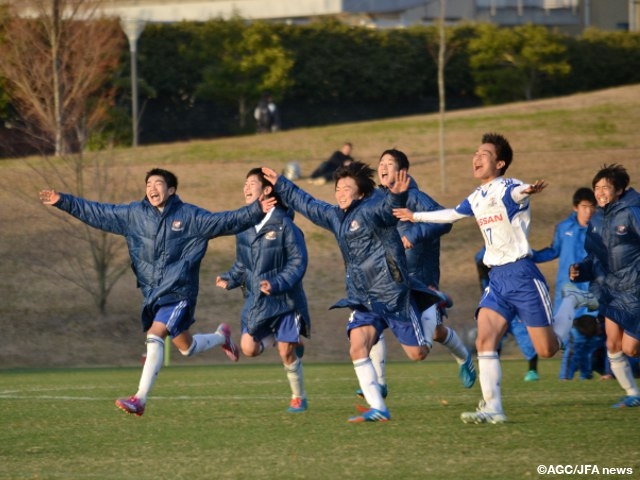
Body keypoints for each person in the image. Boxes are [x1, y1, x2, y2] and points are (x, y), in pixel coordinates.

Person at [38, 168, 276, 416]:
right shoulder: (133, 215)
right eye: (149, 183)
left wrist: (256, 210)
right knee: (187, 347)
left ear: (171, 190)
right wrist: (63, 201)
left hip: (180, 291)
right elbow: (98, 212)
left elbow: (224, 221)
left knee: (155, 334)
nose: (152, 187)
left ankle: (139, 399)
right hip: (154, 295)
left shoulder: (189, 216)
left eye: (159, 183)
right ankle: (221, 336)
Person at [394, 132, 593, 424]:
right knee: (485, 340)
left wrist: (529, 189)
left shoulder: (508, 186)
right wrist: (415, 217)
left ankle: (571, 302)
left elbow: (517, 192)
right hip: (497, 278)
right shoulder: (477, 196)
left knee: (547, 349)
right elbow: (450, 214)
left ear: (499, 164)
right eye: (475, 153)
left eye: (484, 154)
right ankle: (493, 408)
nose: (476, 157)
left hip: (523, 275)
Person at [262, 162, 444, 423]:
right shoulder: (336, 217)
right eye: (338, 188)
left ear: (360, 193)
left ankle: (428, 307)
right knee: (357, 348)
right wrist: (282, 185)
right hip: (364, 299)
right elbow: (309, 204)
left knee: (418, 354)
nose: (341, 192)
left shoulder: (372, 209)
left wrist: (398, 196)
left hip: (392, 295)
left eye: (347, 188)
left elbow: (388, 208)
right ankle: (379, 408)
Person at [356, 148, 475, 402]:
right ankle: (379, 383)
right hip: (389, 280)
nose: (383, 166)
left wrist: (412, 235)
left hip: (421, 280)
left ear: (402, 172)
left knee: (431, 338)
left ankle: (464, 357)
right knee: (373, 320)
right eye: (381, 162)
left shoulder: (415, 196)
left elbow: (445, 221)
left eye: (389, 162)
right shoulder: (378, 200)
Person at [215, 168, 310, 413]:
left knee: (285, 352)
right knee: (248, 348)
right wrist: (231, 278)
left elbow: (298, 262)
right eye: (244, 184)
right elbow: (242, 263)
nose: (246, 188)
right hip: (258, 301)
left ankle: (298, 397)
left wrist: (277, 282)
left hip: (286, 300)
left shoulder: (285, 226)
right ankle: (287, 339)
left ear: (267, 190)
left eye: (251, 183)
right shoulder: (244, 226)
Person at [569, 164, 640, 407]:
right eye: (596, 188)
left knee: (631, 349)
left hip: (635, 287)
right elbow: (593, 256)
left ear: (619, 190)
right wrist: (580, 270)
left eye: (605, 188)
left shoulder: (632, 212)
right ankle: (633, 394)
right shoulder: (597, 218)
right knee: (612, 343)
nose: (599, 192)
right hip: (611, 290)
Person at [531, 187, 600, 381]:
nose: (589, 211)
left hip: (591, 291)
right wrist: (530, 256)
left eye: (592, 207)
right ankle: (567, 378)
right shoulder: (564, 228)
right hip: (567, 292)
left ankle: (583, 378)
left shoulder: (600, 229)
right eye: (585, 207)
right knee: (572, 338)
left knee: (588, 338)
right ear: (575, 207)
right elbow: (553, 251)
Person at [475, 247, 539, 381]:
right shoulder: (486, 250)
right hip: (495, 300)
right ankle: (491, 371)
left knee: (524, 335)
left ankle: (533, 370)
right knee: (491, 339)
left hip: (512, 298)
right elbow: (480, 264)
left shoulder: (514, 247)